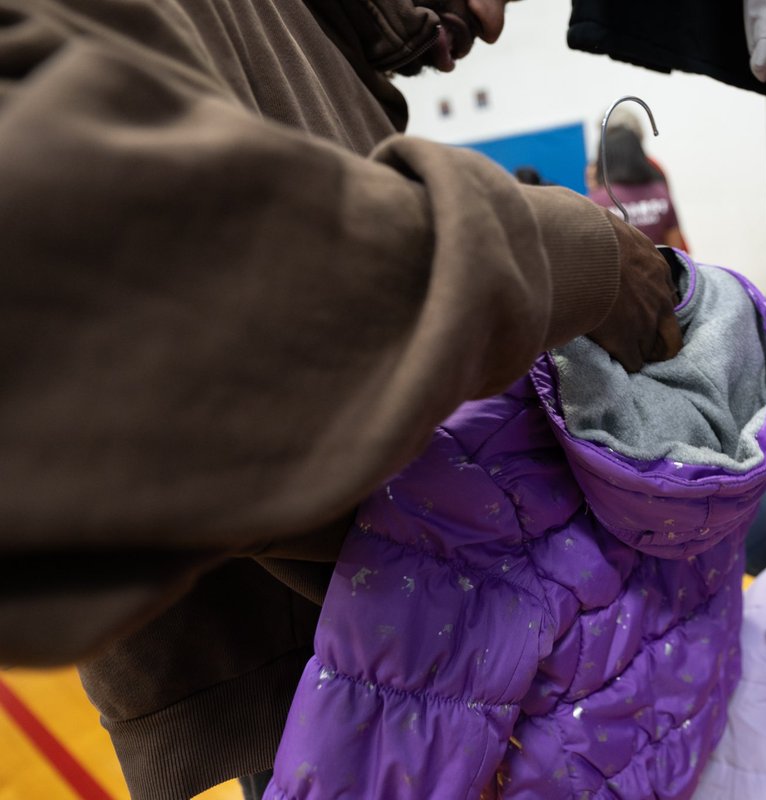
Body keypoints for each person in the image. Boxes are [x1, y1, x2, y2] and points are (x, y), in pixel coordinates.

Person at [0, 1, 682, 797]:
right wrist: (571, 253)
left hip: (437, 651)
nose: (497, 20)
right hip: (348, 678)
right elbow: (81, 278)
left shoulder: (319, 46)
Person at [587, 126, 688, 250]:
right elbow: (676, 252)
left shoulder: (597, 202)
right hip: (663, 267)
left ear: (603, 157)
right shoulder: (660, 192)